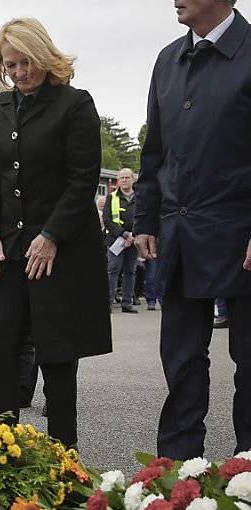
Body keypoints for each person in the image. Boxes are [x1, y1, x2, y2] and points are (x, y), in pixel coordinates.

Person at [0, 18, 111, 448]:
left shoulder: (74, 104)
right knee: (0, 345)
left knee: (56, 354)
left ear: (44, 56)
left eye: (26, 63)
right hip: (10, 248)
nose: (19, 73)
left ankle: (63, 454)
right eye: (10, 65)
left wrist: (52, 233)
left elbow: (83, 178)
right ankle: (1, 450)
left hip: (60, 247)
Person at [133, 0, 251, 459]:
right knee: (181, 357)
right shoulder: (167, 59)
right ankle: (177, 467)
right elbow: (154, 150)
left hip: (239, 234)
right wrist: (144, 219)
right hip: (178, 234)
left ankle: (246, 472)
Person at [104, 168, 140, 313]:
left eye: (127, 177)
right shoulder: (111, 197)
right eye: (122, 178)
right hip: (115, 240)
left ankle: (127, 303)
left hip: (134, 240)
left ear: (133, 179)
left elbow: (143, 216)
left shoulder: (140, 197)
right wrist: (124, 234)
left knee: (131, 271)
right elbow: (107, 220)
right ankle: (108, 303)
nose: (124, 180)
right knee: (113, 270)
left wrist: (133, 236)